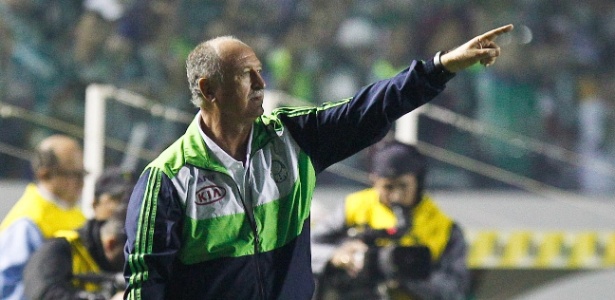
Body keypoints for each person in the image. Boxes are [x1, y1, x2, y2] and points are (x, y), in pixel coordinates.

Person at [123, 24, 513, 299]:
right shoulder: (167, 180)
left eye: (260, 73)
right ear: (208, 89)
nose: (262, 84)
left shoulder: (293, 138)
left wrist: (440, 67)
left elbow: (365, 110)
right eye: (246, 76)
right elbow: (145, 285)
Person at [311, 141, 470, 300]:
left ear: (418, 182)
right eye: (388, 187)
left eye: (403, 186)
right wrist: (338, 256)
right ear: (374, 181)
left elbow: (455, 289)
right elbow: (307, 249)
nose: (396, 196)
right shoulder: (354, 208)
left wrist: (405, 275)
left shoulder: (444, 228)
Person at [0, 134, 87, 300]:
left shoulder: (77, 215)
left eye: (83, 174)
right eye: (74, 174)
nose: (81, 183)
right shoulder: (26, 223)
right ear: (44, 174)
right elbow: (9, 291)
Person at [23, 204, 128, 300]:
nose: (130, 258)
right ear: (111, 244)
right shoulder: (57, 250)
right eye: (127, 251)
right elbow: (44, 294)